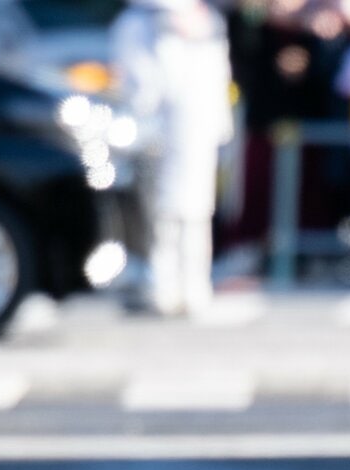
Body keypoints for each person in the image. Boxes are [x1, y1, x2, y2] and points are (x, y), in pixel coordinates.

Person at [110, 0, 234, 319]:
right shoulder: (141, 23)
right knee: (162, 212)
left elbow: (213, 83)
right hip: (158, 134)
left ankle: (188, 287)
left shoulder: (203, 23)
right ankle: (163, 286)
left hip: (186, 134)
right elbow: (137, 89)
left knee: (190, 211)